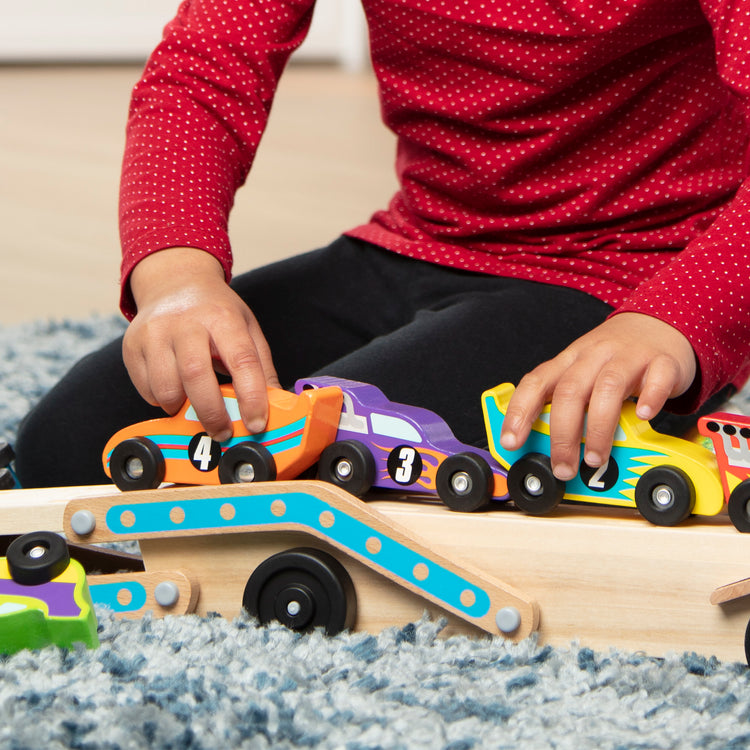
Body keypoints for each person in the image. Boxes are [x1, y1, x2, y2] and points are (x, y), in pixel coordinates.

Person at [14, 0, 750, 488]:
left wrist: (678, 323)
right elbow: (206, 69)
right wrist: (177, 279)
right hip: (416, 240)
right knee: (66, 447)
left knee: (321, 473)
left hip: (632, 276)